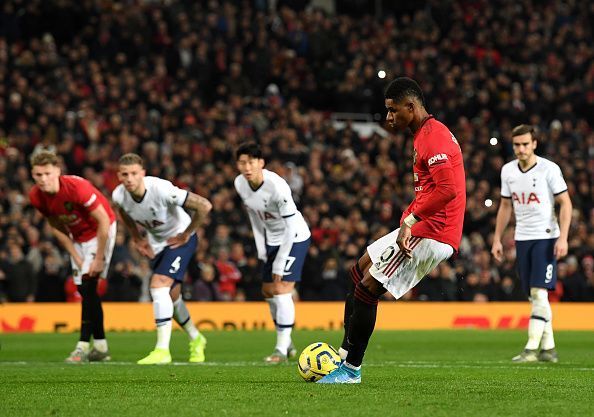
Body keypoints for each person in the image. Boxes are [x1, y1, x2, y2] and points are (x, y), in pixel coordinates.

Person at [318, 77, 466, 383]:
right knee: (358, 271)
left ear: (410, 107)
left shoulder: (433, 138)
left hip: (433, 232)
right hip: (421, 224)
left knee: (369, 287)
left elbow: (448, 189)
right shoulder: (425, 134)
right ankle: (343, 354)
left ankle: (351, 370)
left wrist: (410, 222)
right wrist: (407, 217)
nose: (388, 117)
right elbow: (428, 191)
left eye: (392, 110)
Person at [112, 153, 212, 364]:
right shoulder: (119, 195)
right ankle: (197, 338)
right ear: (119, 176)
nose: (129, 178)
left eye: (134, 174)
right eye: (124, 174)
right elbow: (124, 213)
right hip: (157, 245)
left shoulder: (161, 189)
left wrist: (187, 233)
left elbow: (204, 205)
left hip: (180, 240)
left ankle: (162, 350)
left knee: (158, 285)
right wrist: (137, 238)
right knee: (172, 297)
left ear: (143, 174)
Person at [491, 124, 572, 363]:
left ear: (534, 144)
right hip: (522, 238)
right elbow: (505, 206)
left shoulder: (549, 169)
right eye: (517, 144)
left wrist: (563, 237)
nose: (521, 149)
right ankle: (549, 348)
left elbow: (566, 203)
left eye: (525, 144)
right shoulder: (508, 171)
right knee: (534, 296)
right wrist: (497, 238)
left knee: (538, 292)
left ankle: (531, 349)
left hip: (546, 237)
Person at [29, 150, 117, 362]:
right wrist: (74, 253)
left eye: (47, 174)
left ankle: (83, 346)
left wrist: (98, 259)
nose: (43, 180)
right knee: (84, 290)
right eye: (38, 175)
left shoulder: (77, 188)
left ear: (57, 171)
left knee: (88, 286)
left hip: (100, 232)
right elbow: (55, 225)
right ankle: (102, 347)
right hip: (77, 238)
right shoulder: (36, 196)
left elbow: (104, 221)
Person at [234, 142, 311, 363]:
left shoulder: (277, 186)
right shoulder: (240, 183)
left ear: (261, 163)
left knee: (281, 288)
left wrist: (280, 263)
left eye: (251, 162)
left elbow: (290, 227)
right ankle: (287, 344)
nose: (247, 167)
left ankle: (280, 350)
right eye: (242, 162)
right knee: (268, 291)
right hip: (272, 240)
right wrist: (261, 247)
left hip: (295, 237)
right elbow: (254, 217)